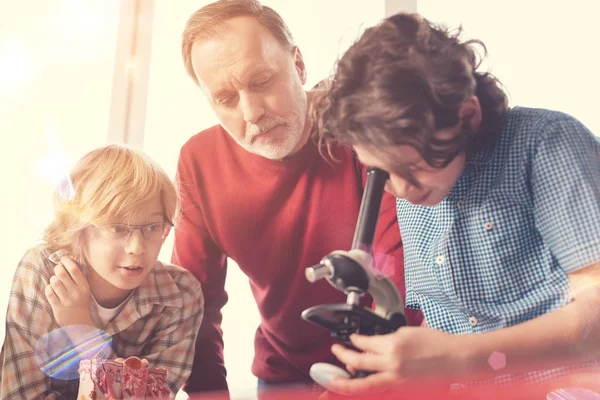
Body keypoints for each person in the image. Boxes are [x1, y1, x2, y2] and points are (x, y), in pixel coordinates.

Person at [315, 12, 600, 396]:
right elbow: (450, 322)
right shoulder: (413, 192)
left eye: (412, 167)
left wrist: (462, 357)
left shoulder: (546, 144)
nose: (399, 189)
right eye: (379, 171)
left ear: (467, 115)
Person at [173, 0, 421, 394]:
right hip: (284, 374)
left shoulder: (359, 122)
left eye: (262, 80)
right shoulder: (198, 162)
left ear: (299, 65)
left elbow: (400, 267)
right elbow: (194, 306)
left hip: (389, 361)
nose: (252, 112)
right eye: (226, 98)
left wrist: (363, 379)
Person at [0, 145, 204, 399]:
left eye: (152, 227)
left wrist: (82, 330)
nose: (137, 248)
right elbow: (20, 394)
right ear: (79, 227)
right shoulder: (43, 271)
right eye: (117, 228)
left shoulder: (181, 294)